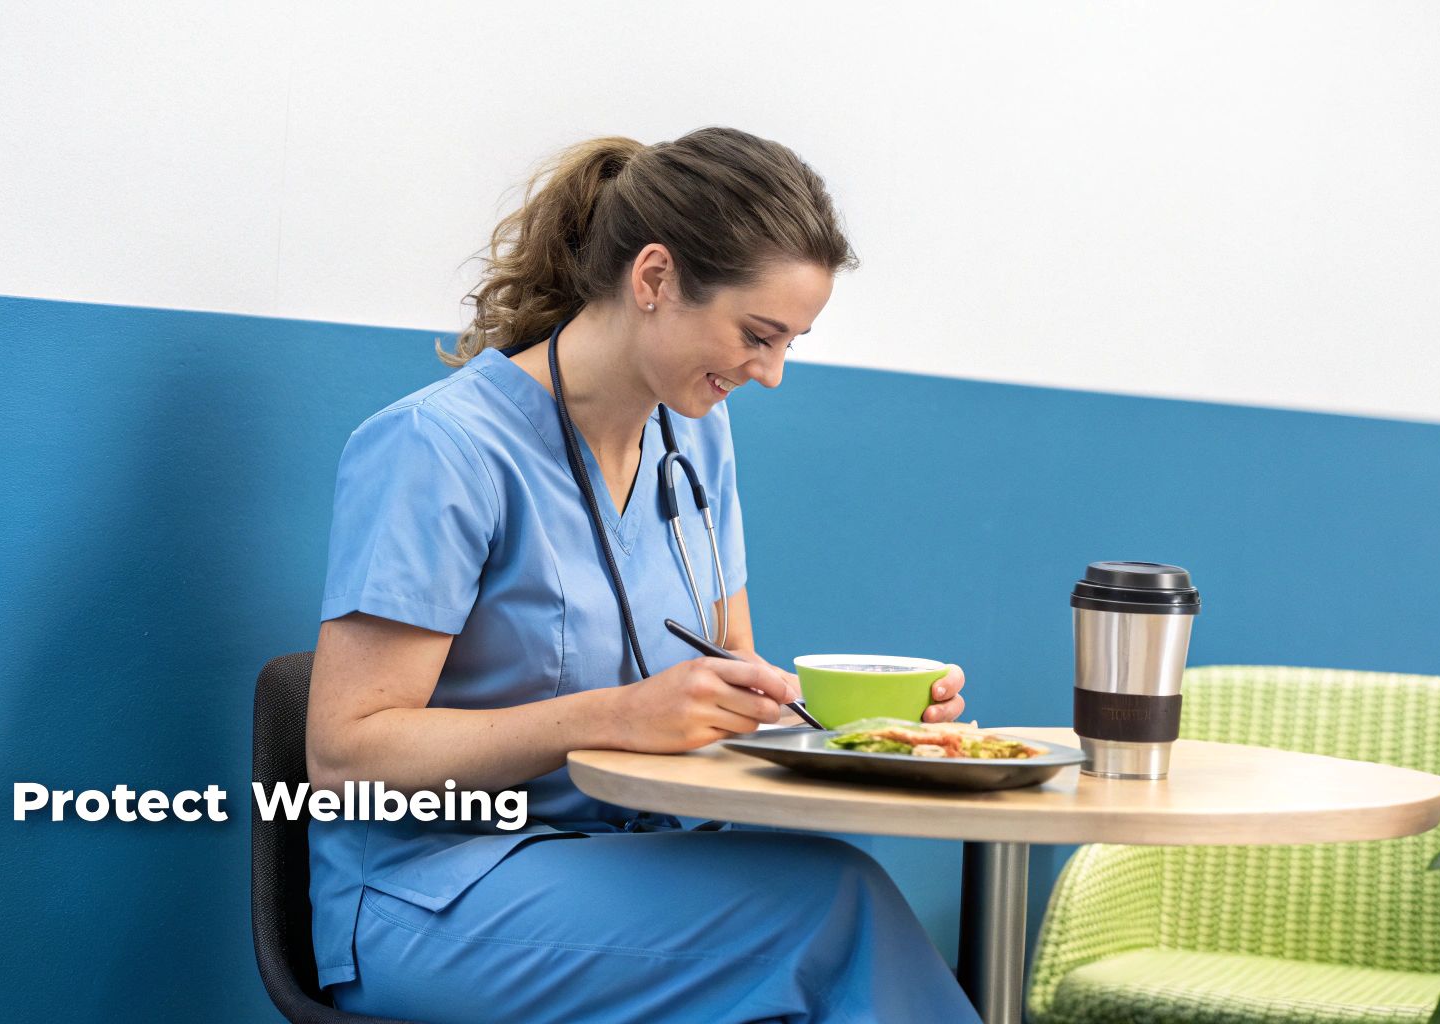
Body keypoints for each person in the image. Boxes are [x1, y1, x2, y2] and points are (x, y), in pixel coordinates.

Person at [306, 126, 981, 1023]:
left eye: (791, 344)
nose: (772, 374)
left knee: (825, 898)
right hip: (436, 893)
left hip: (637, 862)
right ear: (655, 278)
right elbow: (345, 758)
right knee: (832, 910)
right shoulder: (441, 449)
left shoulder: (694, 436)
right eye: (758, 334)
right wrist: (617, 717)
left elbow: (738, 683)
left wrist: (868, 726)